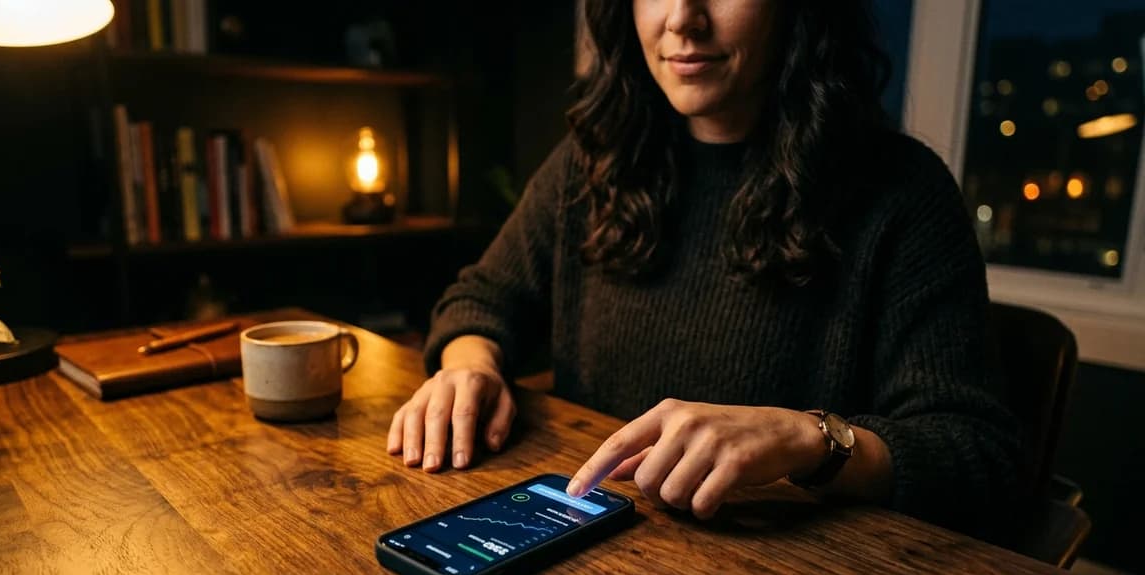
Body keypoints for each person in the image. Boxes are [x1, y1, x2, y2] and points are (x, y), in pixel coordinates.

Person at [385, 0, 1022, 535]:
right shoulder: (593, 160)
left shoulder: (902, 192)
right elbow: (484, 299)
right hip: (589, 549)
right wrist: (469, 367)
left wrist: (808, 437)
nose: (684, 20)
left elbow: (977, 456)